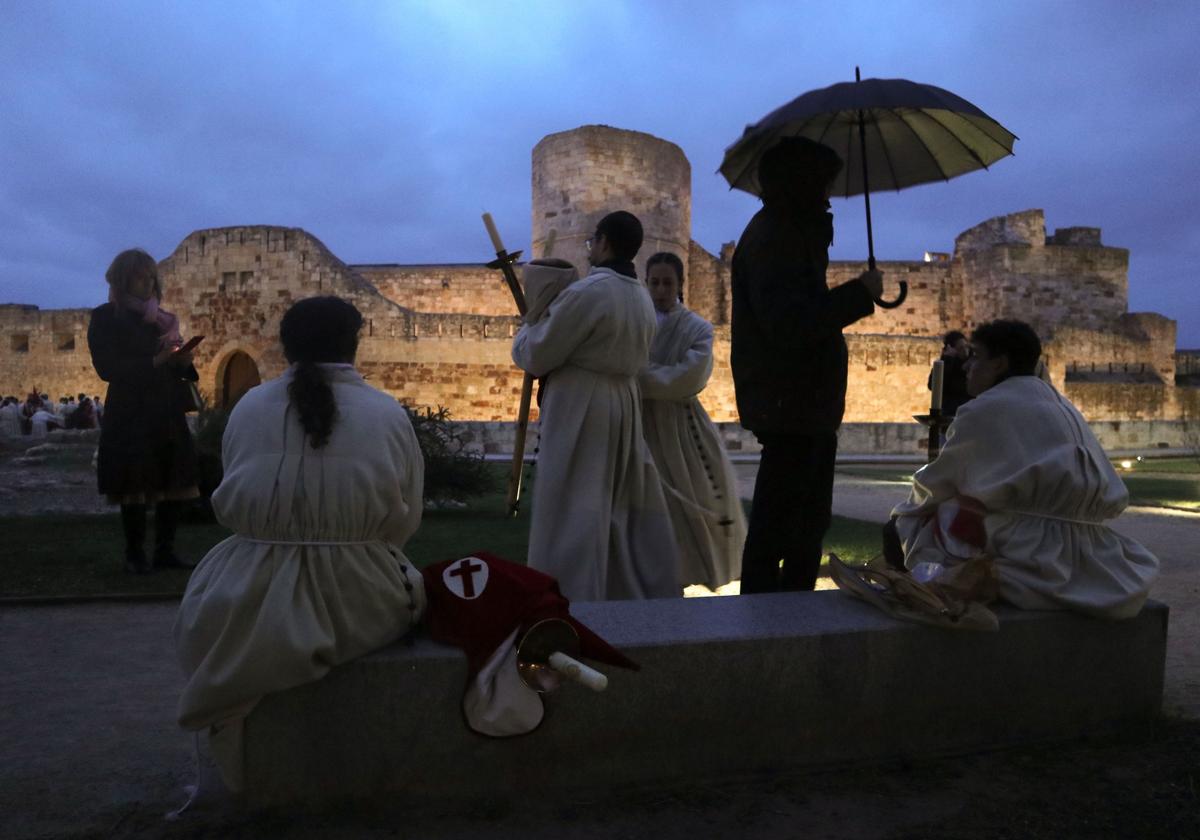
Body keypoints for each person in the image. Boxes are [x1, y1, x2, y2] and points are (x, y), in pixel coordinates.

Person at [174, 296, 426, 791]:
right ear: (353, 347)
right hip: (360, 589)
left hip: (246, 581)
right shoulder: (385, 412)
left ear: (285, 346)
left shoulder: (249, 406)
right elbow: (405, 517)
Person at [888, 320, 1159, 618]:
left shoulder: (985, 408)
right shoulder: (1059, 401)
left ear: (1000, 363)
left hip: (1027, 547)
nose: (967, 366)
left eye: (976, 356)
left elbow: (935, 486)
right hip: (1089, 550)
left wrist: (905, 515)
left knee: (907, 525)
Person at [731, 137, 883, 593]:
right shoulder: (777, 237)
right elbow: (791, 324)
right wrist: (859, 294)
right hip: (792, 405)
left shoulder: (790, 233)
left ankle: (786, 619)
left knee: (800, 526)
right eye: (823, 183)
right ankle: (774, 625)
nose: (828, 195)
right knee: (786, 527)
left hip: (800, 405)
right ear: (803, 182)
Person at [512, 210, 678, 601]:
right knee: (610, 504)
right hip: (622, 403)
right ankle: (614, 590)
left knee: (575, 504)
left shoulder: (589, 292)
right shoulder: (638, 295)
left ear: (603, 242)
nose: (590, 250)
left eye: (592, 242)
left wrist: (528, 325)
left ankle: (570, 593)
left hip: (581, 406)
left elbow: (537, 354)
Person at [88, 248, 200, 574]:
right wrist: (155, 361)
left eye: (152, 275)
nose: (149, 282)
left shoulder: (161, 319)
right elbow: (108, 368)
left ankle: (165, 552)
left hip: (166, 408)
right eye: (141, 275)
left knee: (173, 479)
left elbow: (173, 368)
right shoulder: (106, 318)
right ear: (124, 279)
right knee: (134, 483)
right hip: (131, 411)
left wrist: (182, 363)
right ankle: (135, 554)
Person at [639, 252, 746, 591]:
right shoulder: (635, 323)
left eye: (667, 282)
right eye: (654, 282)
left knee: (688, 504)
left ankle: (683, 576)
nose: (660, 289)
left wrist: (636, 378)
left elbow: (689, 377)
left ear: (680, 284)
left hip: (682, 428)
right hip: (638, 425)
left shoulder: (697, 328)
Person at [929, 330, 971, 416]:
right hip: (951, 411)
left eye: (966, 347)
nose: (965, 351)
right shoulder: (946, 365)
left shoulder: (972, 365)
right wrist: (948, 359)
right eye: (960, 348)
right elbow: (933, 385)